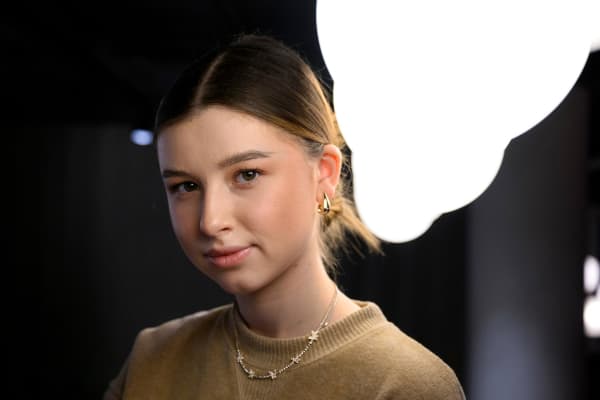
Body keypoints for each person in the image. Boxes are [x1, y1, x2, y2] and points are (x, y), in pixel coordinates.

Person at [103, 34, 465, 399]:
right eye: (186, 186)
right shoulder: (153, 361)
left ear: (324, 174)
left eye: (247, 175)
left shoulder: (405, 384)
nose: (210, 221)